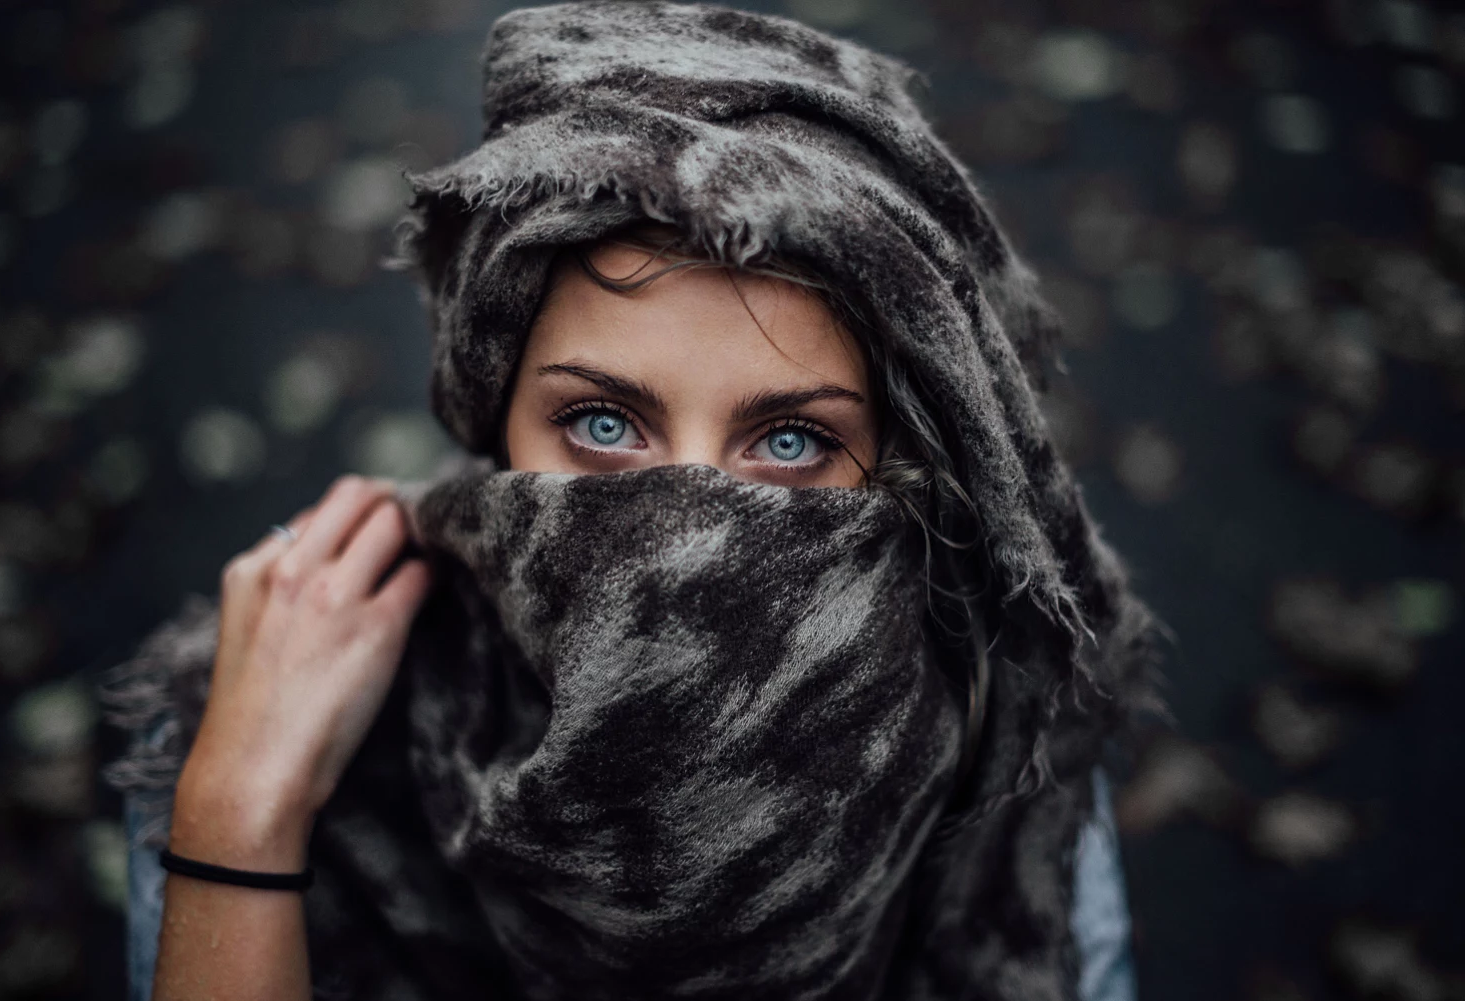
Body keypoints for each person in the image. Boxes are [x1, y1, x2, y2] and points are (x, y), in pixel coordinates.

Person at [103, 4, 1158, 1000]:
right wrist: (239, 817)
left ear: (900, 471)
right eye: (604, 423)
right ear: (496, 417)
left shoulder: (995, 762)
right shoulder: (275, 726)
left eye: (790, 441)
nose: (681, 533)